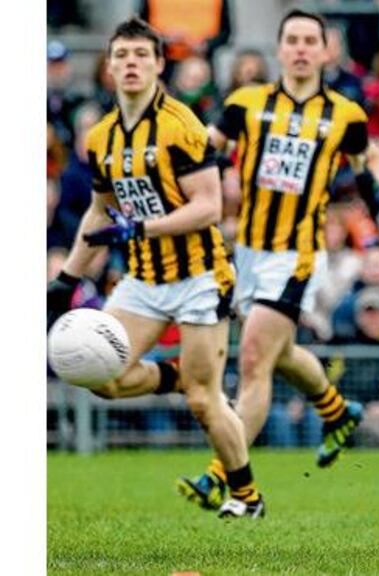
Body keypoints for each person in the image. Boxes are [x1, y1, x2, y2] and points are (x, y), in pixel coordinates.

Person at [45, 18, 264, 518]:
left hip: (201, 277)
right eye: (121, 55)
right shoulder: (100, 137)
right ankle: (178, 375)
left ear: (160, 64)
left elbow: (209, 206)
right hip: (143, 279)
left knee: (206, 402)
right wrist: (67, 279)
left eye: (141, 55)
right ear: (108, 66)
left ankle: (247, 496)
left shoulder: (181, 125)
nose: (130, 64)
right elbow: (100, 212)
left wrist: (142, 229)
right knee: (103, 376)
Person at [178, 9, 369, 509]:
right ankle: (336, 410)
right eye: (293, 40)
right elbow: (206, 152)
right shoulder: (245, 104)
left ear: (326, 51)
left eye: (312, 40)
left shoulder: (348, 115)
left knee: (255, 357)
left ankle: (225, 476)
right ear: (279, 49)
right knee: (279, 353)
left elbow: (364, 169)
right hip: (249, 251)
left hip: (299, 252)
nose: (302, 48)